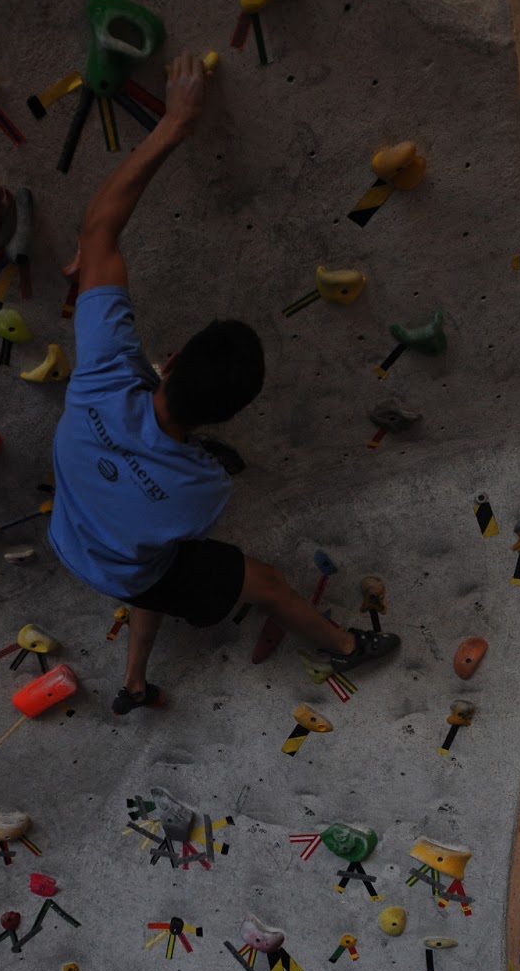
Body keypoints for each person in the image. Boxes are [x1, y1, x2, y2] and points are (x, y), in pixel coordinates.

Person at [48, 52, 400, 716]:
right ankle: (343, 643)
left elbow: (99, 227)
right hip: (124, 558)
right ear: (227, 418)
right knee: (257, 579)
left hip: (73, 540)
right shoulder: (204, 486)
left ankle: (131, 685)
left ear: (171, 359)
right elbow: (174, 533)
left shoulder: (98, 374)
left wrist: (173, 124)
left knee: (151, 564)